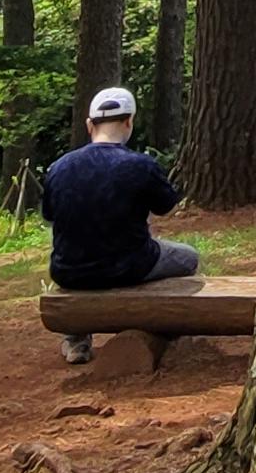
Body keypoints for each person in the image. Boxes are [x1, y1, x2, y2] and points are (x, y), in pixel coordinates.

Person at [42, 84, 199, 366]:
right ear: (129, 122)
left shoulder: (59, 167)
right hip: (130, 266)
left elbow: (50, 215)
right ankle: (166, 326)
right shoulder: (140, 165)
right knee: (188, 258)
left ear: (89, 124)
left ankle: (76, 341)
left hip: (68, 271)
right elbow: (166, 206)